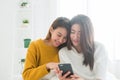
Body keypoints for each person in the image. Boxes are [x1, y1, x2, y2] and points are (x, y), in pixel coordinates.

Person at [57, 14, 109, 80]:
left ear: (88, 33)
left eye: (80, 33)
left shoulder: (100, 49)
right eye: (72, 32)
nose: (75, 37)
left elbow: (100, 78)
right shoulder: (63, 52)